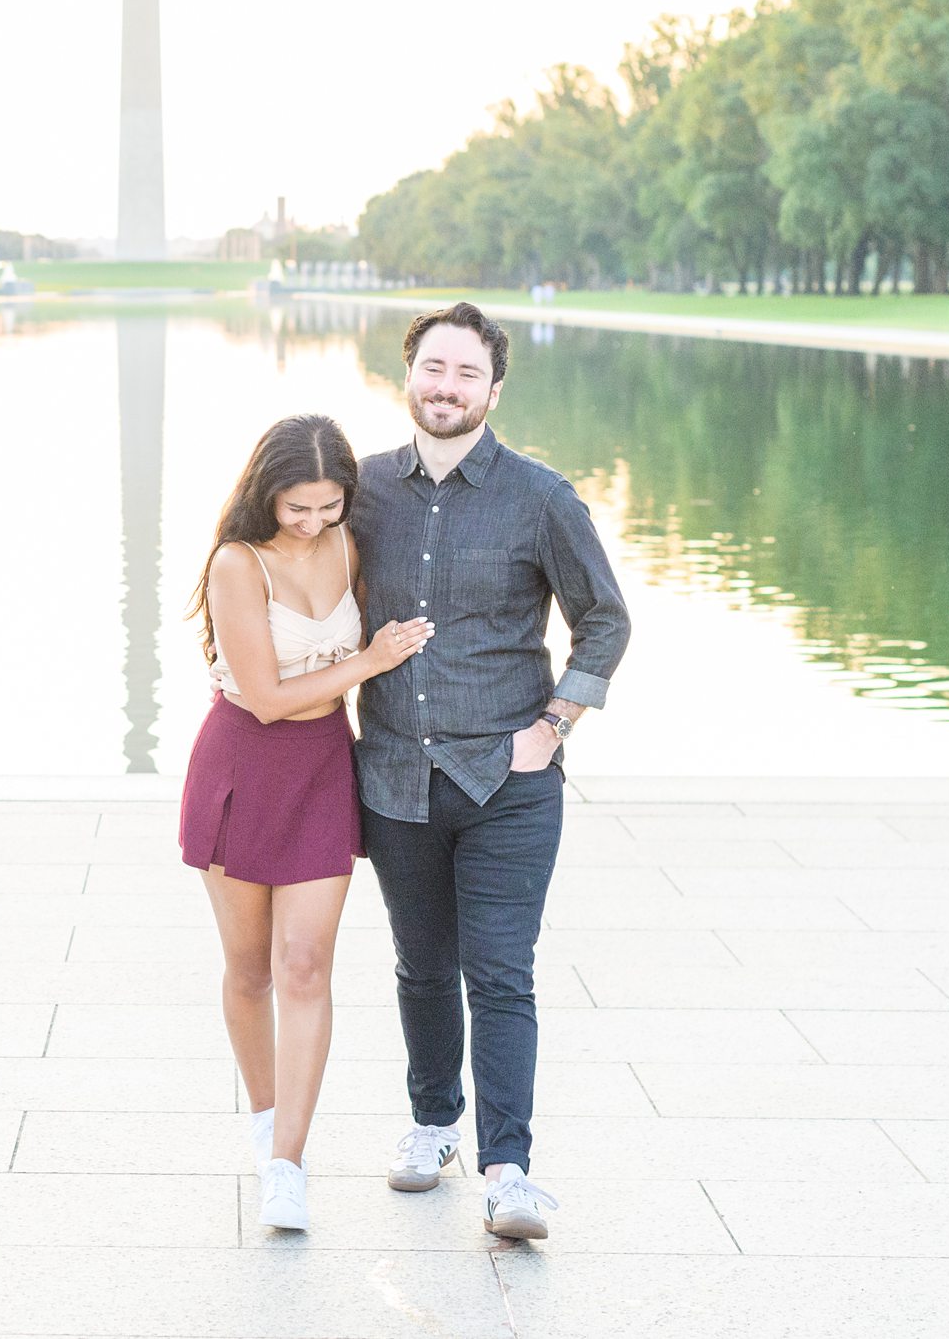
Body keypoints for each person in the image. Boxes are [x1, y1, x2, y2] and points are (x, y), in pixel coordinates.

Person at [349, 302, 631, 1243]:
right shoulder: (362, 491)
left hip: (509, 783)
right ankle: (434, 1126)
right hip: (394, 778)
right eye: (434, 367)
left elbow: (607, 619)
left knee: (501, 974)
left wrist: (556, 721)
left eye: (467, 373)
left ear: (494, 389)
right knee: (421, 967)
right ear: (409, 374)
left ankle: (510, 1170)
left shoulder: (541, 496)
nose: (446, 386)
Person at [179, 414, 429, 1234]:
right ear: (267, 493)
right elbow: (270, 694)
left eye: (329, 506)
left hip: (324, 764)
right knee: (249, 969)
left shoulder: (352, 545)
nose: (315, 522)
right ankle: (263, 1115)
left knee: (305, 964)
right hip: (243, 762)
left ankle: (288, 1162)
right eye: (298, 508)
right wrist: (368, 660)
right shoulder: (236, 563)